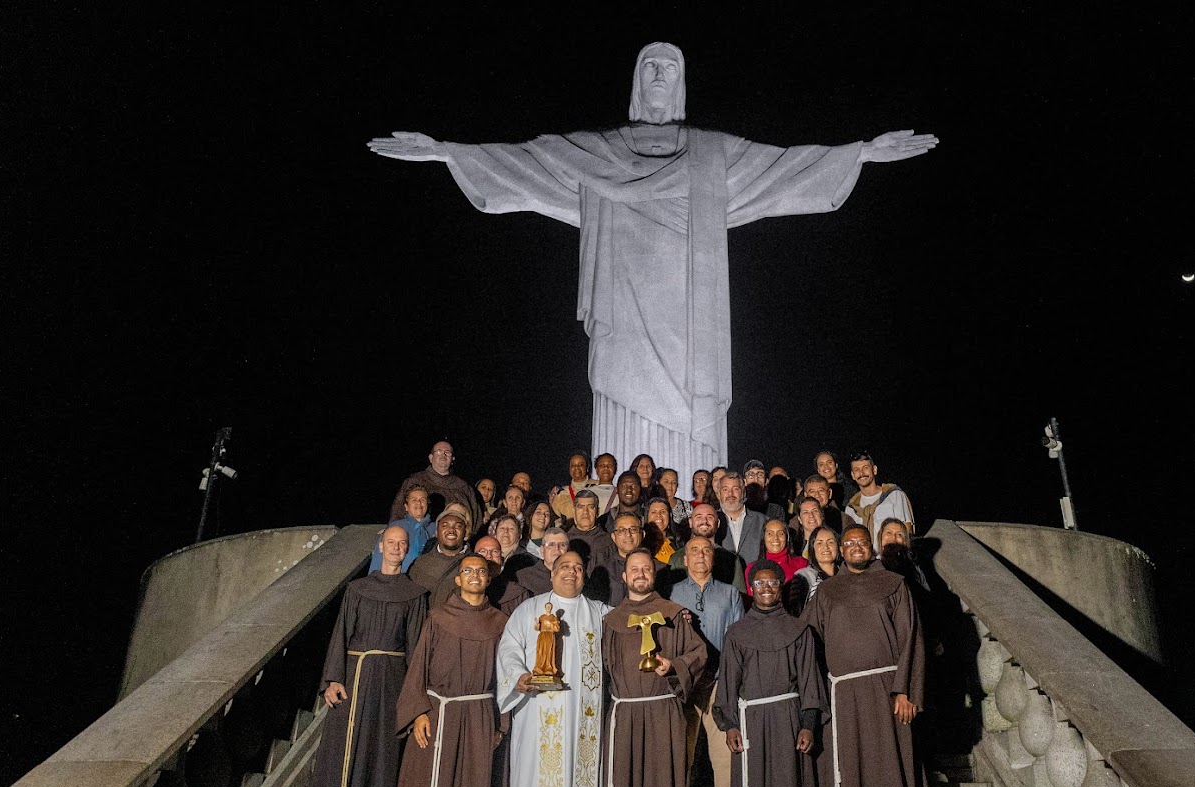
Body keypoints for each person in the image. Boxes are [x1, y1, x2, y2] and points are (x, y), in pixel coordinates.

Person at [369, 42, 937, 482]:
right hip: (623, 312)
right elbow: (526, 163)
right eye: (650, 66)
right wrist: (447, 151)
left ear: (683, 83)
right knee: (619, 418)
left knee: (695, 426)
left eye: (671, 65)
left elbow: (785, 169)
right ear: (637, 83)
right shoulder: (598, 152)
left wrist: (859, 152)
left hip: (691, 319)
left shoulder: (713, 154)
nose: (660, 74)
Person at [804, 524, 936, 787]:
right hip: (842, 696)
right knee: (849, 776)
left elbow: (912, 637)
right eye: (850, 544)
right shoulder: (826, 592)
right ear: (841, 551)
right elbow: (807, 642)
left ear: (871, 547)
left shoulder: (893, 584)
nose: (856, 548)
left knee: (894, 773)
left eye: (862, 542)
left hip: (888, 693)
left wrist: (905, 689)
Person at [301, 526, 427, 787]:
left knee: (383, 754)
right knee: (349, 750)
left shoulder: (415, 594)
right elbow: (341, 633)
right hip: (354, 678)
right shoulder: (357, 589)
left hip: (392, 681)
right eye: (392, 543)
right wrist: (332, 679)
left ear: (407, 549)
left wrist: (415, 698)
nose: (397, 548)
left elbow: (415, 649)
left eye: (403, 544)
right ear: (381, 547)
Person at [385, 553, 506, 787]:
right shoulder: (438, 617)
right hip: (438, 711)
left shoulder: (500, 622)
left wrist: (501, 721)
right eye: (467, 571)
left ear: (488, 579)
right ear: (457, 579)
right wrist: (418, 712)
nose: (474, 576)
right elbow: (418, 666)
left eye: (480, 571)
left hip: (479, 712)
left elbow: (507, 675)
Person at [496, 551, 610, 787]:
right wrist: (517, 677)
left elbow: (632, 631)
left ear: (584, 576)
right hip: (537, 714)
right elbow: (509, 649)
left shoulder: (601, 614)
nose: (571, 573)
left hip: (582, 719)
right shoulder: (529, 611)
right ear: (551, 572)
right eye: (564, 567)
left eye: (578, 568)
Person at [713, 559, 827, 787]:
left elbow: (809, 680)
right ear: (751, 589)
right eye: (759, 584)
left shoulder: (799, 630)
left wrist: (808, 724)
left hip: (789, 718)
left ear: (781, 587)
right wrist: (730, 724)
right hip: (749, 722)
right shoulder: (737, 633)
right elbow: (729, 683)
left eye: (772, 583)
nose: (766, 589)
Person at [601, 548, 706, 787]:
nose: (641, 574)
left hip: (663, 711)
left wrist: (672, 666)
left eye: (646, 568)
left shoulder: (674, 615)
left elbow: (699, 653)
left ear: (653, 574)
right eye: (635, 569)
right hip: (626, 712)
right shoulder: (611, 621)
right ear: (624, 576)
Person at [668, 536, 745, 787]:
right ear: (685, 560)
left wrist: (730, 684)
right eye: (694, 551)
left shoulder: (729, 594)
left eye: (706, 550)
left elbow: (737, 641)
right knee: (680, 758)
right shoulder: (672, 594)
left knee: (724, 758)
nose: (700, 555)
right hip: (684, 688)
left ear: (713, 558)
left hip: (718, 685)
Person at [389, 441, 481, 524]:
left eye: (447, 452)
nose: (443, 455)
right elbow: (397, 512)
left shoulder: (463, 487)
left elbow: (475, 518)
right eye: (439, 451)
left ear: (452, 459)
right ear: (431, 457)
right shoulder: (414, 481)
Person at [668, 502, 745, 593]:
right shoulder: (677, 558)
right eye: (699, 517)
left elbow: (740, 595)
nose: (704, 521)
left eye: (710, 517)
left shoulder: (731, 559)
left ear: (718, 523)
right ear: (690, 522)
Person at [408, 505, 472, 608]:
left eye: (458, 526)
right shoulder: (420, 564)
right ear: (436, 532)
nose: (451, 530)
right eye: (445, 525)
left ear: (465, 532)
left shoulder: (475, 565)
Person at [845, 451, 915, 545]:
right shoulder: (852, 508)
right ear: (853, 475)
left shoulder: (894, 495)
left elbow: (906, 528)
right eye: (857, 470)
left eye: (865, 468)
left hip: (891, 556)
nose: (861, 473)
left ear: (874, 470)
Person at [744, 519, 809, 612]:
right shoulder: (753, 568)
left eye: (780, 533)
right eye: (770, 533)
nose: (775, 538)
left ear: (787, 537)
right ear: (764, 538)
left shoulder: (802, 564)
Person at [603, 511, 663, 606]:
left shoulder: (660, 569)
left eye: (633, 529)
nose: (628, 534)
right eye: (622, 530)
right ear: (613, 537)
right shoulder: (603, 569)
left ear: (642, 534)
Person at [369, 486, 433, 573]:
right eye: (414, 500)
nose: (418, 503)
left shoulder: (436, 528)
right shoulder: (396, 527)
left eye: (422, 499)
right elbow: (378, 558)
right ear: (406, 507)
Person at [717, 471, 767, 567]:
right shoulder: (710, 521)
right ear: (719, 494)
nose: (730, 494)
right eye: (725, 489)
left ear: (743, 493)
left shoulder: (762, 521)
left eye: (735, 489)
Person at [567, 491, 615, 580]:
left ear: (598, 511)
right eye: (581, 507)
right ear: (574, 510)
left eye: (591, 507)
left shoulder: (609, 541)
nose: (586, 512)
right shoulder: (564, 541)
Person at [514, 526, 568, 597]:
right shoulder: (523, 578)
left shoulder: (574, 576)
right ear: (542, 551)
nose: (557, 549)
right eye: (551, 545)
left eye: (562, 545)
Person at [793, 526, 840, 606]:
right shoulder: (803, 577)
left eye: (830, 542)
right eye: (819, 543)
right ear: (812, 548)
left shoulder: (846, 574)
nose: (826, 547)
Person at [548, 452, 592, 521]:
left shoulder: (597, 487)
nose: (576, 467)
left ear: (587, 468)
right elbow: (556, 520)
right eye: (573, 465)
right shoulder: (561, 494)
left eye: (581, 465)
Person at [644, 496, 680, 564]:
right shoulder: (640, 543)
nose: (658, 515)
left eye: (663, 512)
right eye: (653, 512)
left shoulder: (679, 542)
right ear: (647, 516)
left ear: (669, 516)